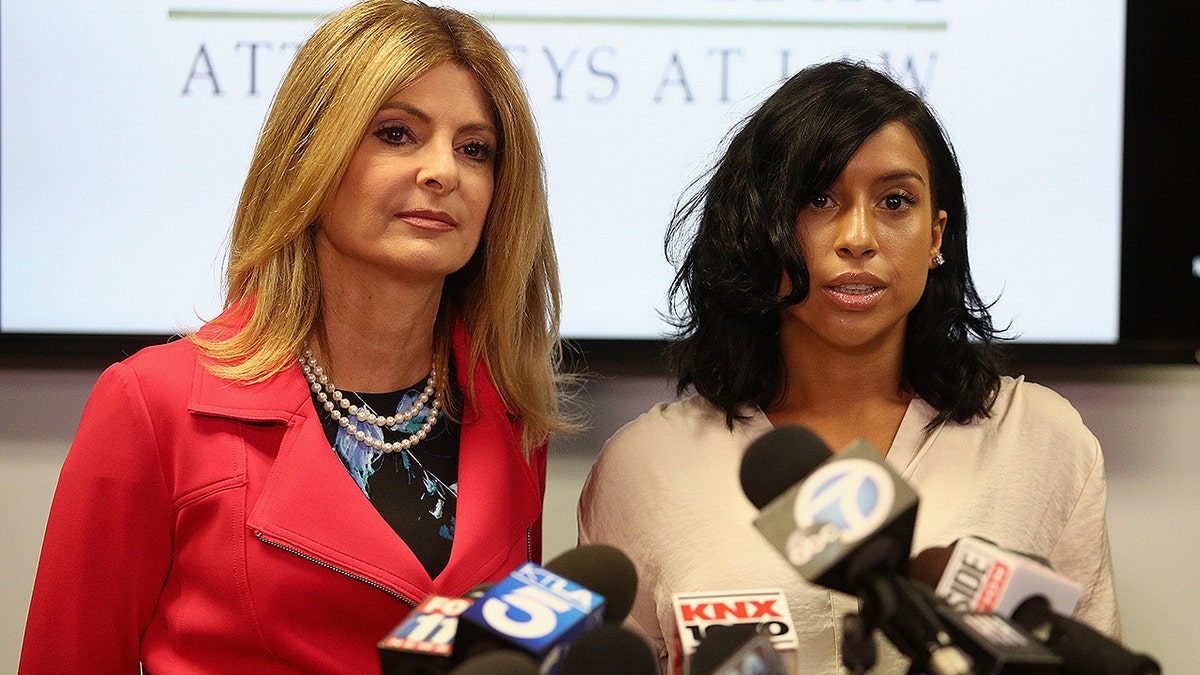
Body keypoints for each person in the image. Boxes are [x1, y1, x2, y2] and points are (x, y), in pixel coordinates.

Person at [20, 1, 576, 672]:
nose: (443, 172)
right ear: (309, 156)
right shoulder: (151, 404)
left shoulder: (512, 410)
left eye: (473, 148)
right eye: (397, 134)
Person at [577, 60, 1122, 674]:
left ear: (937, 234)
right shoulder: (646, 465)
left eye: (895, 201)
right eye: (818, 198)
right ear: (760, 226)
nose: (857, 237)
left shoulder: (1043, 439)